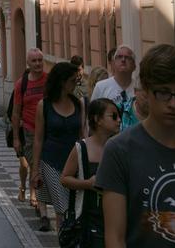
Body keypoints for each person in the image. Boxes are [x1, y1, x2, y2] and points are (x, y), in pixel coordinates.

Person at [97, 43, 175, 247]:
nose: (173, 103)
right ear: (145, 91)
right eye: (163, 92)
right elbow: (115, 238)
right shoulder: (119, 150)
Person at [31, 61, 85, 232]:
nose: (75, 84)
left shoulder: (78, 104)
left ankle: (69, 240)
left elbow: (82, 134)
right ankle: (64, 240)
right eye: (72, 81)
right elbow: (38, 139)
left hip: (74, 162)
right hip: (51, 162)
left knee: (75, 208)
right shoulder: (44, 105)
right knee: (62, 208)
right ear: (62, 82)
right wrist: (35, 169)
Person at [59, 98, 121, 248]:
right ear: (97, 119)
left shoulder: (120, 148)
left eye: (119, 116)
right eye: (113, 116)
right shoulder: (81, 148)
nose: (119, 120)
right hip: (86, 217)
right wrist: (87, 184)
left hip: (113, 217)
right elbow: (65, 179)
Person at [13, 48, 48, 209]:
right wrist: (16, 138)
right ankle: (36, 198)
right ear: (28, 63)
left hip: (48, 130)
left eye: (40, 60)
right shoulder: (22, 83)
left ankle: (37, 194)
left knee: (42, 165)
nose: (38, 63)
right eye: (34, 61)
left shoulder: (49, 80)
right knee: (34, 164)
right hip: (29, 129)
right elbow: (16, 111)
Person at [90, 44, 138, 131]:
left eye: (127, 58)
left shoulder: (139, 89)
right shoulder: (101, 87)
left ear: (134, 66)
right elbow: (92, 117)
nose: (123, 60)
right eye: (119, 57)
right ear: (114, 63)